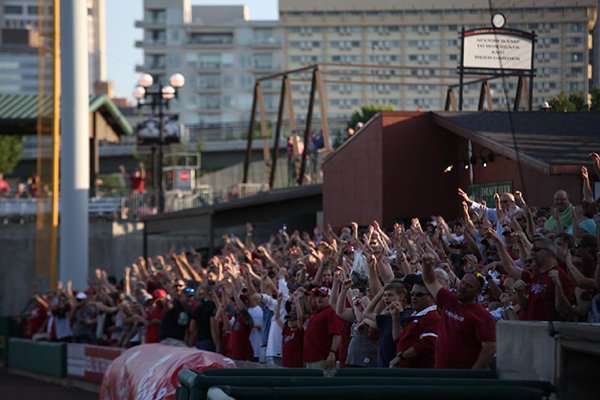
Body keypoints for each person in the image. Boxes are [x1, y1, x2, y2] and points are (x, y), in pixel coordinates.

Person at [421, 252, 496, 369]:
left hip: (461, 377)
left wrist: (473, 375)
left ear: (478, 292)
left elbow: (490, 347)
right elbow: (430, 281)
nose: (463, 287)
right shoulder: (449, 299)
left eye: (469, 286)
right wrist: (426, 265)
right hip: (440, 370)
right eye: (463, 283)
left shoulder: (483, 316)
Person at [389, 278, 439, 368]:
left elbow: (427, 344)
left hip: (419, 374)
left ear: (431, 297)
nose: (414, 298)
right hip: (407, 371)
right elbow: (398, 340)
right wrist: (395, 318)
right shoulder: (416, 315)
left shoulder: (432, 317)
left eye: (419, 295)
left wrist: (401, 356)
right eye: (412, 294)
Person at [302, 286, 343, 369]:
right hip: (312, 359)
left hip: (323, 359)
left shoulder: (331, 311)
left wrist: (332, 353)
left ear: (330, 298)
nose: (319, 298)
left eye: (323, 296)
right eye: (317, 296)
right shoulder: (318, 312)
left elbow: (337, 334)